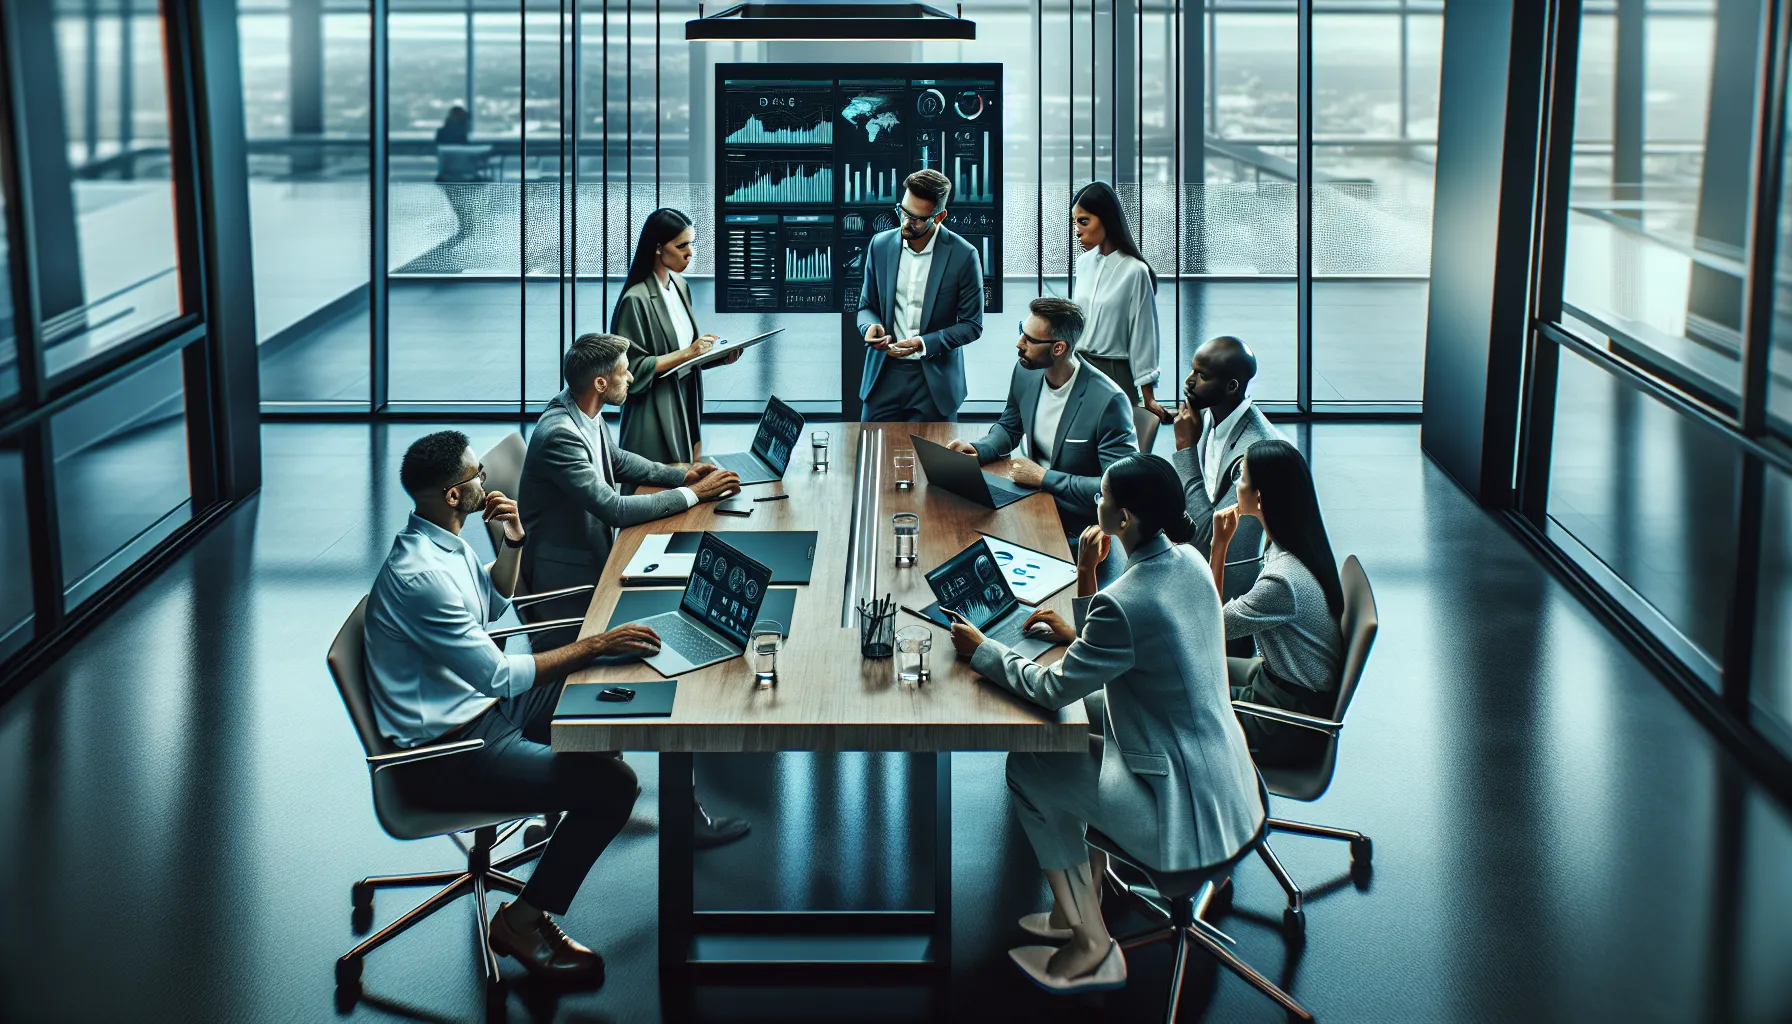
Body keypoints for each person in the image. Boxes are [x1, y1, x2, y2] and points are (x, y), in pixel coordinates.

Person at [947, 453, 1264, 993]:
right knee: (1081, 733)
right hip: (1231, 789)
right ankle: (1077, 906)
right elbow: (1141, 650)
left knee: (1029, 767)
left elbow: (1052, 687)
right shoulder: (1188, 562)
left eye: (1104, 499)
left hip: (1179, 817)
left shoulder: (1126, 602)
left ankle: (1091, 943)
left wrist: (985, 650)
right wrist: (1086, 584)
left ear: (1124, 520)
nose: (1097, 503)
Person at [363, 430, 664, 983]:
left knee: (592, 674)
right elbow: (500, 675)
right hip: (449, 753)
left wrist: (513, 542)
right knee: (614, 787)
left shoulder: (442, 543)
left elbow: (496, 600)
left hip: (478, 712)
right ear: (455, 495)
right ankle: (521, 921)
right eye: (477, 475)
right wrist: (595, 642)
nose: (486, 480)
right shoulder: (424, 575)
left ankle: (554, 813)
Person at [518, 333, 751, 849]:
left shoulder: (581, 412)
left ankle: (630, 789)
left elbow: (619, 462)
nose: (632, 378)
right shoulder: (559, 433)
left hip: (591, 566)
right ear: (600, 382)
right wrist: (693, 493)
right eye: (625, 372)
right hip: (570, 592)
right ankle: (678, 814)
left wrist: (679, 473)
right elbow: (615, 507)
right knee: (673, 658)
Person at [945, 297, 1136, 578]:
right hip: (1030, 505)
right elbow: (1010, 426)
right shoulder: (1026, 372)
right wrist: (978, 448)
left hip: (1078, 531)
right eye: (1022, 330)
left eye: (1030, 339)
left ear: (1059, 348)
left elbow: (1118, 487)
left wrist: (1043, 477)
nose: (1019, 343)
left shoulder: (1108, 401)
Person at [1210, 439, 1346, 766]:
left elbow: (1209, 627)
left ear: (1259, 497)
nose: (1235, 485)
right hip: (1278, 685)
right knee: (1181, 669)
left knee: (1169, 701)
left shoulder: (1282, 581)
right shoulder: (1288, 546)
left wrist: (1219, 546)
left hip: (1283, 722)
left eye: (1240, 478)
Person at [855, 168, 986, 421]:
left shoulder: (964, 256)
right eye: (902, 211)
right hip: (883, 376)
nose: (905, 222)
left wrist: (923, 343)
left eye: (916, 218)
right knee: (873, 456)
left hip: (935, 383)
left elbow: (972, 325)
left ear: (939, 217)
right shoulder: (879, 245)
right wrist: (869, 327)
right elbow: (866, 306)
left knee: (931, 461)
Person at [610, 208, 739, 464]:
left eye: (690, 244)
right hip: (654, 412)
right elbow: (631, 369)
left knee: (687, 484)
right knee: (658, 491)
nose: (689, 253)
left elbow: (683, 354)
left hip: (685, 402)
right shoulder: (635, 300)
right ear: (658, 248)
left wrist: (715, 356)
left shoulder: (681, 286)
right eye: (681, 246)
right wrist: (689, 352)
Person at [1170, 335, 1281, 608]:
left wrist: (1185, 449)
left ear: (1231, 386)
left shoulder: (1254, 452)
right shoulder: (1210, 416)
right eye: (1192, 370)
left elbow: (1208, 535)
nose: (1189, 381)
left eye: (1202, 375)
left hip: (1230, 591)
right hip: (1197, 565)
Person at [1070, 182, 1169, 423]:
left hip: (1115, 372)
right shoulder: (1083, 264)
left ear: (1105, 219)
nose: (1077, 230)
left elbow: (1143, 335)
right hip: (1077, 370)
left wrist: (1148, 397)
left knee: (1115, 449)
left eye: (1083, 221)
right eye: (1074, 222)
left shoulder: (1135, 271)